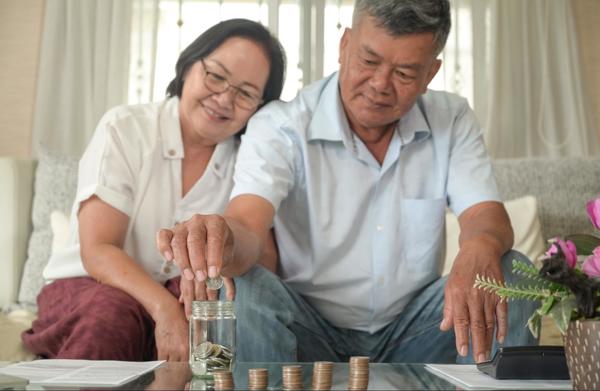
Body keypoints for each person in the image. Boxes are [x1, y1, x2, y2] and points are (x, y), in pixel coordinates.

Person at [158, 0, 537, 364]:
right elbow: (248, 223)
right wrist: (221, 239)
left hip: (418, 330)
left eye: (404, 73)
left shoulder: (451, 118)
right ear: (344, 46)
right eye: (368, 60)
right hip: (308, 329)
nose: (380, 84)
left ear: (430, 75)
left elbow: (485, 213)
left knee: (510, 272)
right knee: (243, 286)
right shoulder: (283, 124)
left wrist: (480, 246)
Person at [21, 18, 286, 361]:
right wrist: (164, 311)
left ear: (259, 108)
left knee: (221, 315)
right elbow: (99, 248)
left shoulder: (251, 162)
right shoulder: (126, 128)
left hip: (182, 293)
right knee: (113, 314)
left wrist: (211, 273)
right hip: (90, 286)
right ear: (189, 65)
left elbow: (263, 258)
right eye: (216, 76)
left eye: (246, 93)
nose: (224, 98)